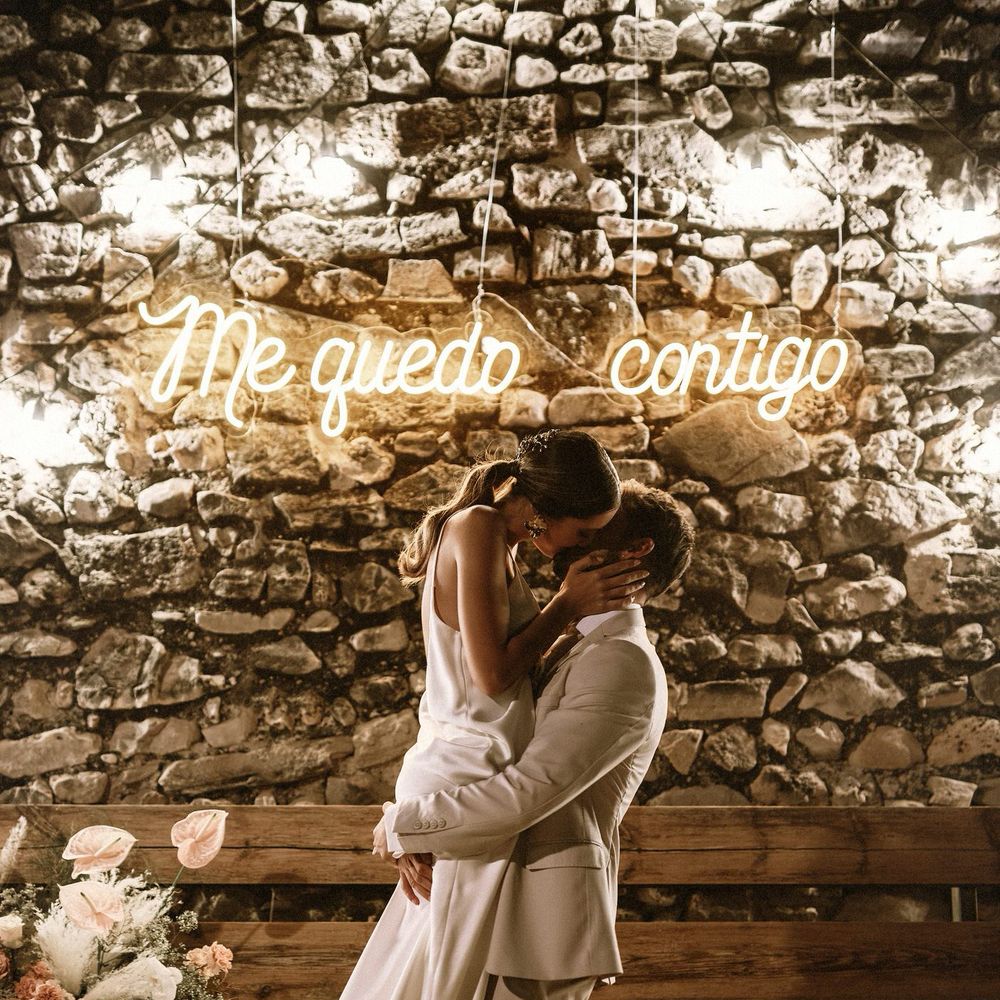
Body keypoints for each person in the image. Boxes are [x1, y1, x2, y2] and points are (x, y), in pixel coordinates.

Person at [339, 431, 651, 1000]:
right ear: (546, 510)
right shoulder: (478, 527)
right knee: (439, 978)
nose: (579, 548)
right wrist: (567, 605)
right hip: (470, 761)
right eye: (583, 532)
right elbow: (491, 674)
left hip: (475, 761)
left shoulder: (497, 540)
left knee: (434, 970)